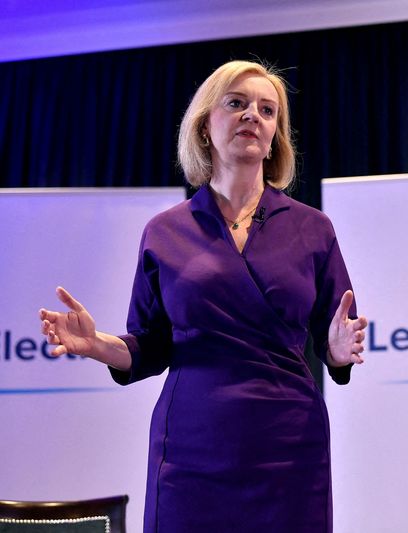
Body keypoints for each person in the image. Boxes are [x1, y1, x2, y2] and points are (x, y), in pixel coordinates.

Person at [38, 60, 368, 532]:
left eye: (267, 110)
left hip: (289, 448)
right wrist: (97, 345)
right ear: (205, 127)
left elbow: (335, 336)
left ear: (276, 134)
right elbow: (150, 345)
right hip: (192, 448)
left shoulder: (313, 229)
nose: (253, 115)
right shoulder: (164, 232)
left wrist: (337, 351)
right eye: (236, 103)